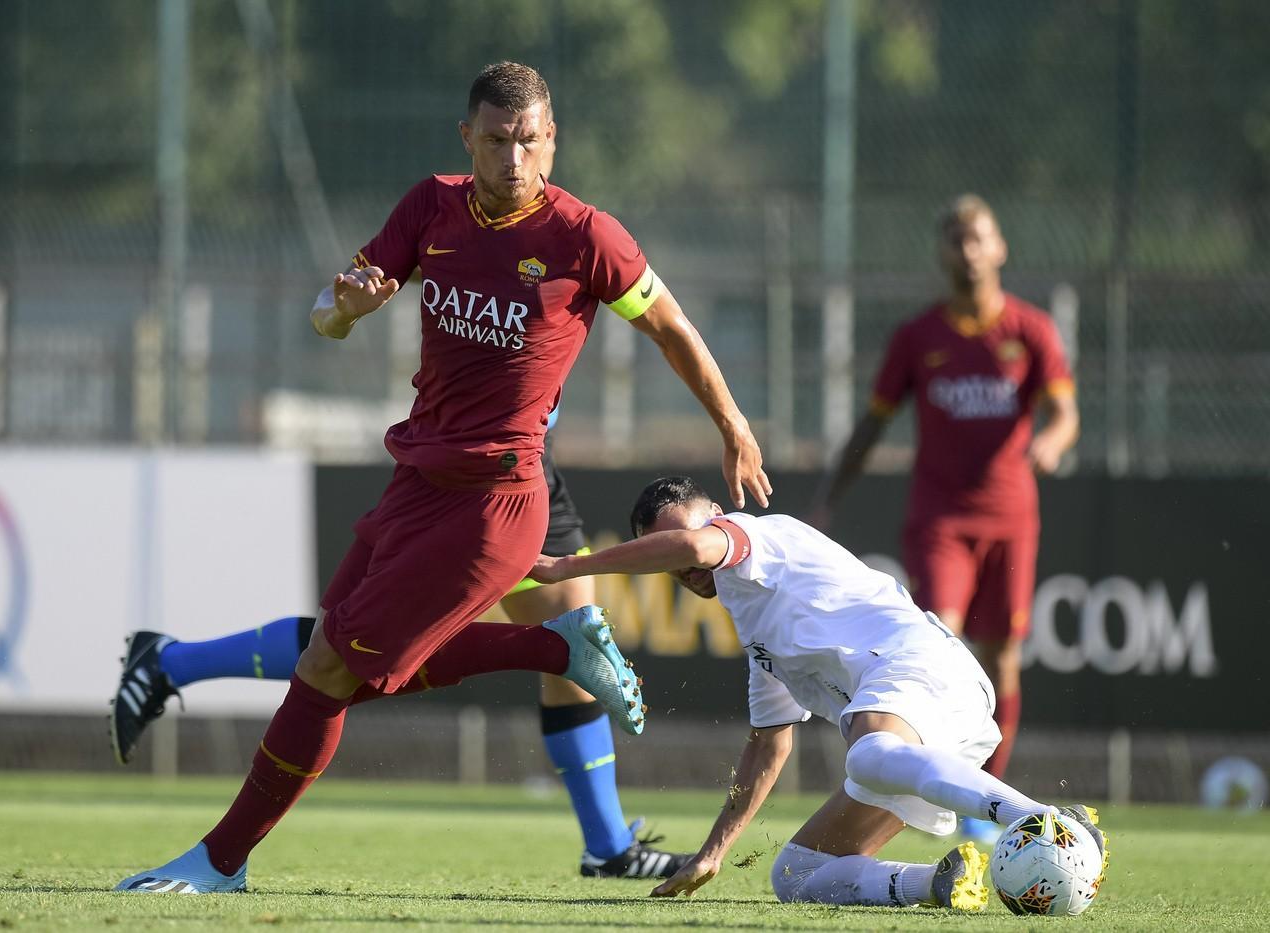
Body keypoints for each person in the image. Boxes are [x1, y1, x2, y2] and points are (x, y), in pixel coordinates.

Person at [116, 61, 770, 894]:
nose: (514, 159)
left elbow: (671, 326)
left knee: (331, 670)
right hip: (415, 482)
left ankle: (219, 858)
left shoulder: (585, 237)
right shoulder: (432, 205)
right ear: (468, 139)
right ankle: (549, 651)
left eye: (530, 142)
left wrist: (733, 423)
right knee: (329, 659)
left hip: (498, 503)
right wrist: (345, 309)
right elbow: (328, 310)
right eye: (496, 141)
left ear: (552, 139)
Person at [110, 430, 692, 880]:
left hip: (528, 459)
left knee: (569, 648)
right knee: (352, 643)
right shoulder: (479, 276)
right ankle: (171, 663)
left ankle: (608, 846)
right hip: (477, 465)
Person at [529, 475, 1107, 910]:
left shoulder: (756, 537)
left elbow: (701, 548)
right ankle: (940, 882)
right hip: (924, 739)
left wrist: (567, 568)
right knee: (799, 876)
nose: (681, 559)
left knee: (869, 751)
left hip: (921, 671)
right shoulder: (755, 625)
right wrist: (713, 852)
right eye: (667, 553)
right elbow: (767, 745)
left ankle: (1041, 819)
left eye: (684, 534)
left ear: (716, 516)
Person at [809, 195, 1078, 842]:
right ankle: (931, 794)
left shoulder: (1031, 331)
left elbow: (1067, 412)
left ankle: (984, 810)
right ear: (942, 252)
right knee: (939, 647)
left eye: (978, 238)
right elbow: (872, 424)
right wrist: (828, 498)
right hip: (940, 520)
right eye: (955, 239)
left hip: (1011, 519)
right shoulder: (917, 337)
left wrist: (1053, 440)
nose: (967, 250)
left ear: (1000, 247)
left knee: (1003, 658)